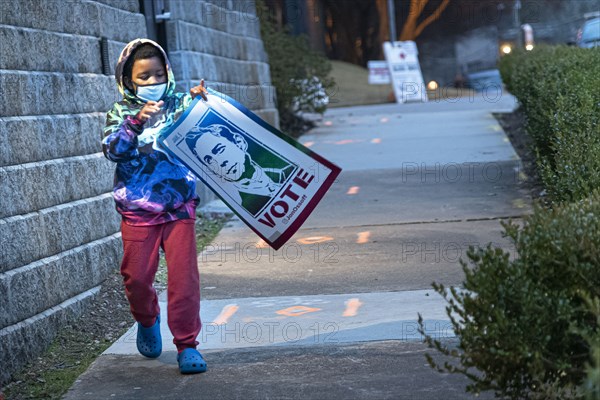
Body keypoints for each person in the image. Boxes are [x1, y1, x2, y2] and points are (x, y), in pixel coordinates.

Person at [102, 38, 209, 374]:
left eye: (158, 75)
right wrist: (136, 123)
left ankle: (187, 344)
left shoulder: (178, 104)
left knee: (184, 280)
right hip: (137, 209)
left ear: (168, 74)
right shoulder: (120, 112)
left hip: (179, 206)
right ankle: (147, 320)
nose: (152, 83)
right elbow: (113, 151)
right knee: (136, 278)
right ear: (129, 80)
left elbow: (202, 128)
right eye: (143, 77)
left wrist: (201, 102)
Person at [186, 124, 296, 215]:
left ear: (239, 142)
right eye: (209, 161)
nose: (220, 163)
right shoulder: (250, 209)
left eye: (220, 150)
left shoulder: (290, 172)